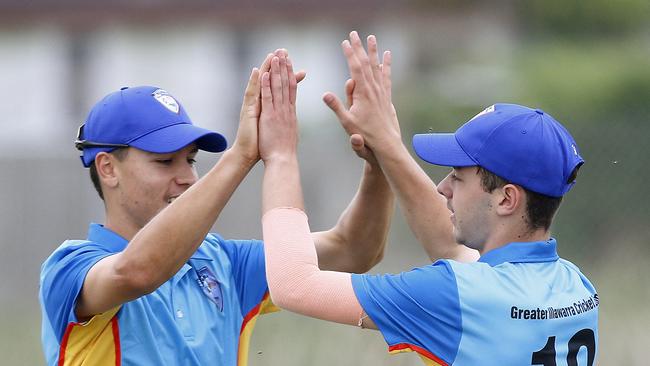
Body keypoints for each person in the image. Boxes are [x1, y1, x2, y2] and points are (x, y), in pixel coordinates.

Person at [259, 32, 598, 365]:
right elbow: (452, 249)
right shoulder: (576, 286)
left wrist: (280, 156)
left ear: (507, 200)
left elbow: (295, 285)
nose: (443, 188)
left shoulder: (454, 295)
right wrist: (388, 146)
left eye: (459, 177)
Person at [38, 50, 395, 365]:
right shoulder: (69, 267)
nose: (188, 177)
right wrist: (241, 156)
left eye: (190, 160)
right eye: (165, 162)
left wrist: (380, 163)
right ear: (107, 168)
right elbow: (137, 272)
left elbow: (354, 249)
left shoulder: (222, 261)